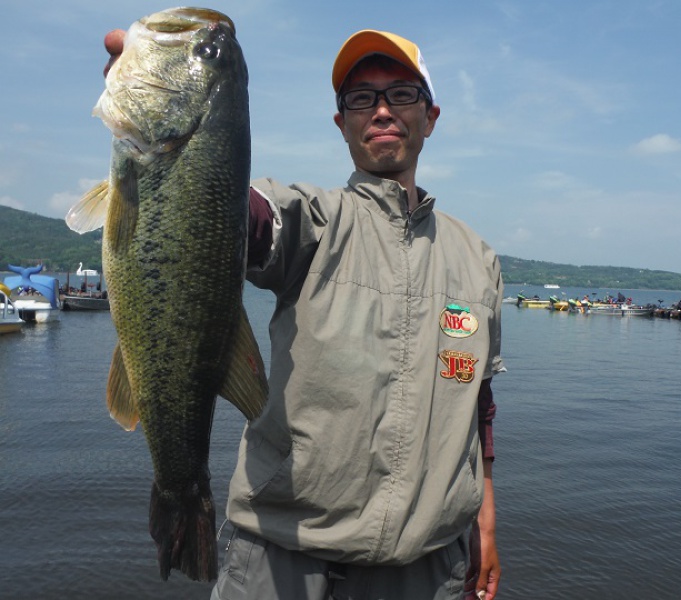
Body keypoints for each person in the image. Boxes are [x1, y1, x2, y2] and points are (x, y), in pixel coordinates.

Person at [104, 26, 503, 600]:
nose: (383, 110)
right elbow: (244, 217)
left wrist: (485, 517)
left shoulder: (478, 259)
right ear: (342, 125)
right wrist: (167, 128)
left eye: (402, 93)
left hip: (428, 565)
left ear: (431, 116)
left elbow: (480, 404)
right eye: (361, 98)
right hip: (281, 554)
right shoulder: (313, 219)